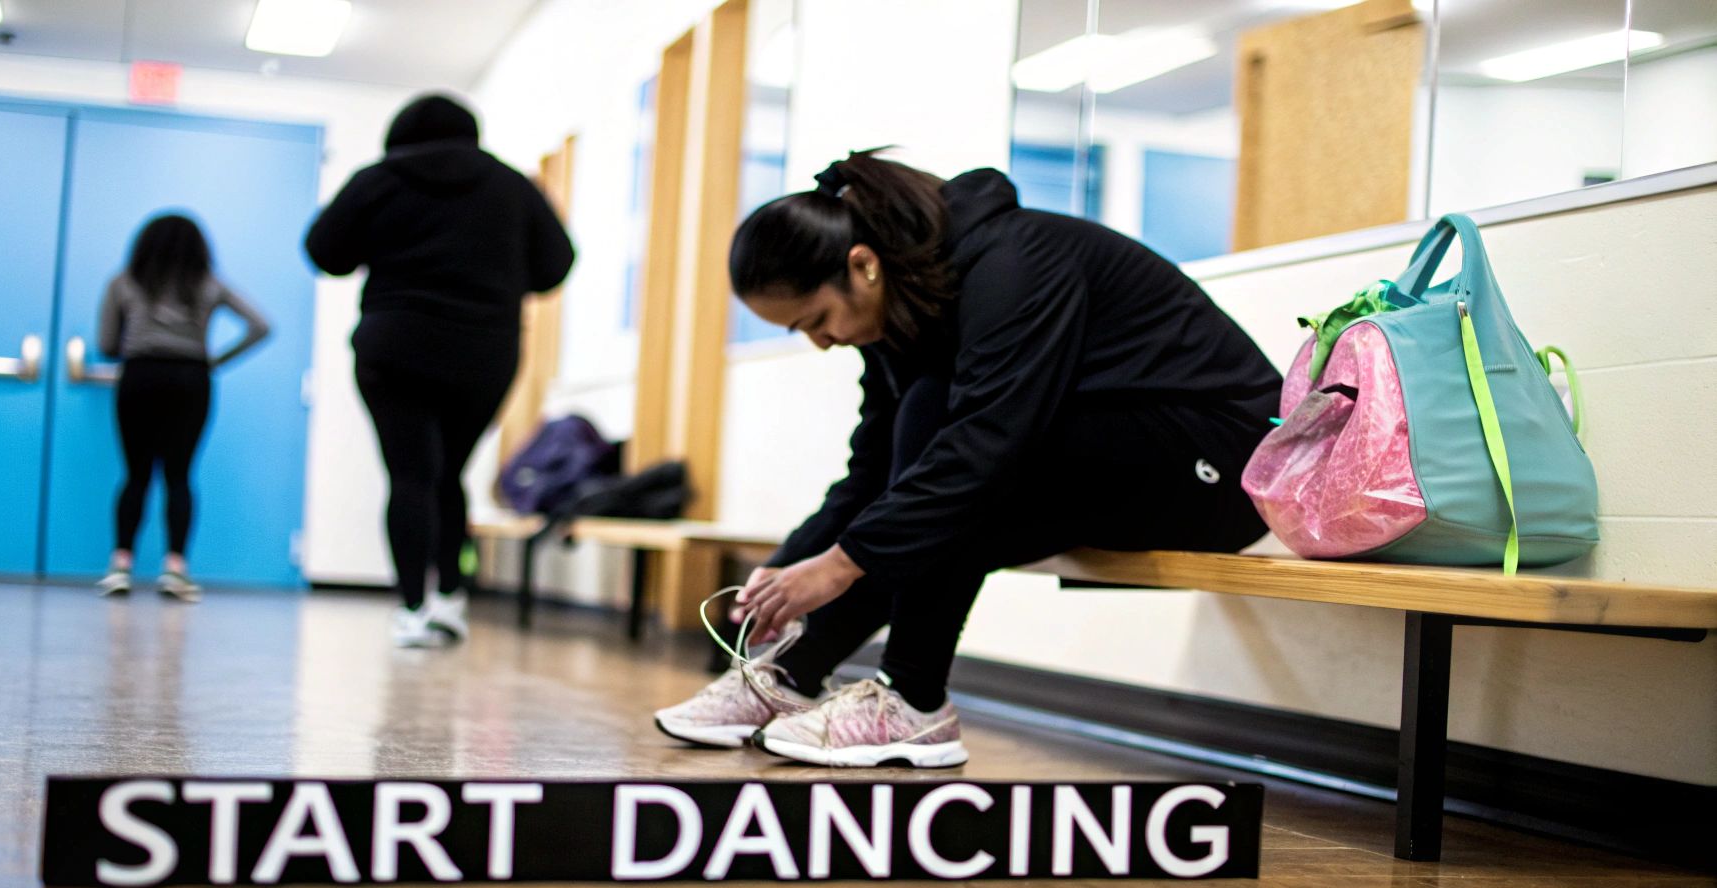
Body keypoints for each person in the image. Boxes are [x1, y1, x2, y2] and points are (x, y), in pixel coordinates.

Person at [654, 150, 1283, 768]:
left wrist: (844, 563)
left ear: (863, 264)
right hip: (1116, 460)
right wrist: (786, 573)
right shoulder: (901, 313)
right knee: (927, 480)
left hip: (1227, 464)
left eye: (816, 320)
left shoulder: (1015, 262)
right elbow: (873, 474)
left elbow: (989, 442)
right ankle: (793, 675)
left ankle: (911, 698)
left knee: (952, 456)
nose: (822, 343)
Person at [306, 94, 575, 648]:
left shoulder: (377, 179)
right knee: (449, 472)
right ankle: (450, 601)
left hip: (394, 346)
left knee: (409, 475)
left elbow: (325, 253)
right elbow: (555, 266)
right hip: (483, 351)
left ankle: (410, 609)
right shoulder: (509, 184)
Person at [96, 214, 269, 602]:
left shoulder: (124, 281)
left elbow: (107, 343)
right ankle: (175, 569)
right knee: (179, 474)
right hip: (191, 379)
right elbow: (261, 325)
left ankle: (120, 565)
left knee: (136, 474)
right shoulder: (209, 284)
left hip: (140, 375)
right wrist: (216, 360)